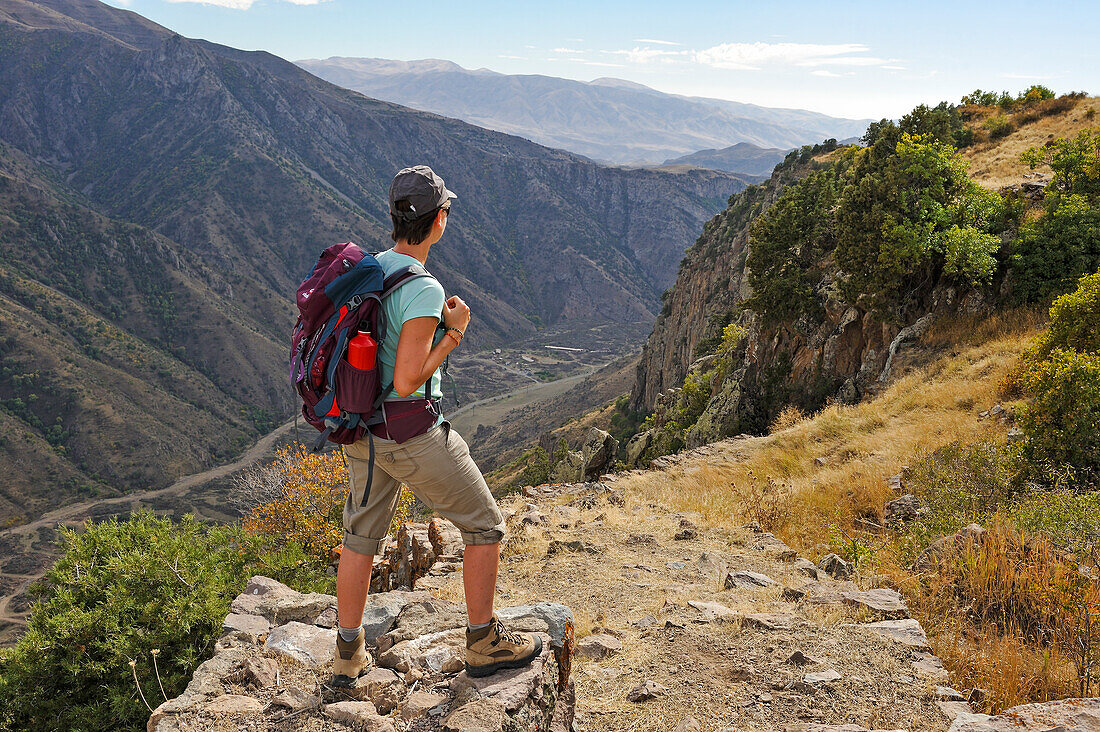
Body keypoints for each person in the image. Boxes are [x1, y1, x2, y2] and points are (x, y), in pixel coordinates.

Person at [331, 165, 541, 685]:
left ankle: (346, 654)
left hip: (366, 435)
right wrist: (453, 333)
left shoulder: (373, 268)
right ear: (438, 220)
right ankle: (483, 642)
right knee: (486, 525)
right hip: (413, 433)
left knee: (359, 540)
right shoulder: (424, 289)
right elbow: (406, 379)